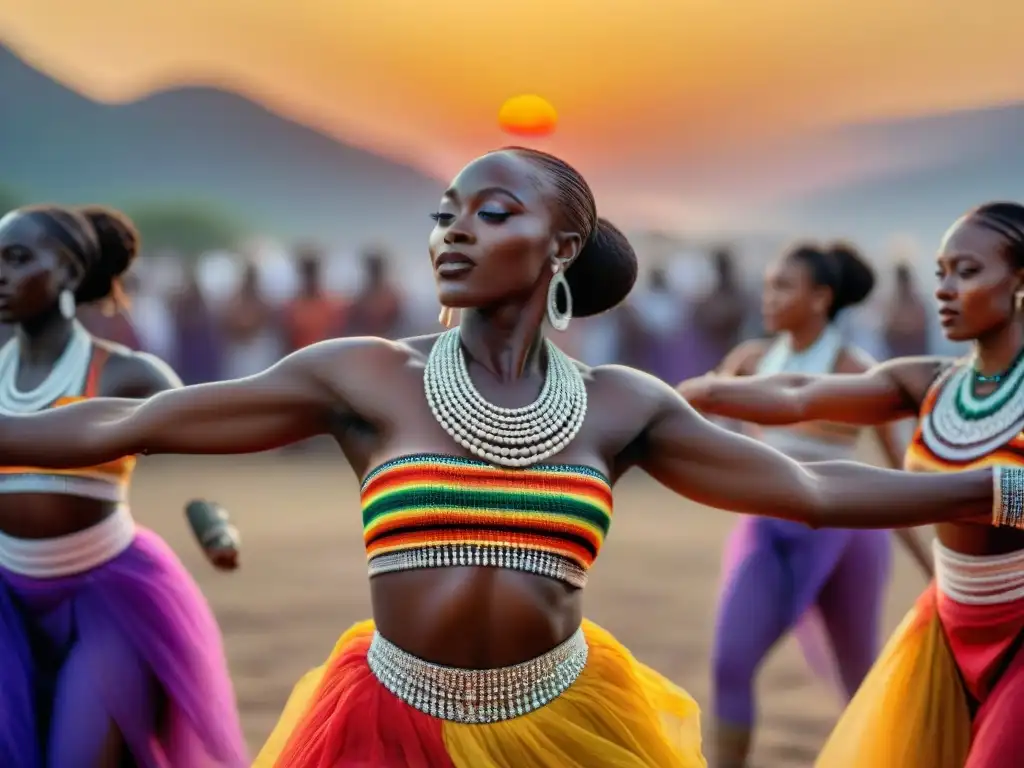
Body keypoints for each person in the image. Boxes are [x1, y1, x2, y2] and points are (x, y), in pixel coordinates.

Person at [0, 153, 1013, 768]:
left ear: (563, 244)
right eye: (446, 211)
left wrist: (990, 487)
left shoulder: (622, 406)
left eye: (493, 213)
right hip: (383, 723)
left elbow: (805, 484)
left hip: (563, 719)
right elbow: (115, 429)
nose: (453, 231)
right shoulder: (366, 377)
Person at [679, 201, 1024, 767]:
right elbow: (797, 395)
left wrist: (808, 492)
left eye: (967, 271)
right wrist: (684, 395)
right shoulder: (927, 381)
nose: (945, 288)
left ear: (1020, 282)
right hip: (947, 626)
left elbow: (956, 494)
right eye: (941, 272)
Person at [0, 205, 247, 766]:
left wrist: (212, 526)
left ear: (65, 272)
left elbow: (207, 463)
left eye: (16, 259)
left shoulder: (128, 374)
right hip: (6, 597)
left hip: (112, 597)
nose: (0, 273)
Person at [696, 241, 931, 768]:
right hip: (768, 528)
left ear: (821, 298)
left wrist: (931, 564)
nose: (769, 298)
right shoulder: (748, 361)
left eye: (783, 286)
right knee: (730, 664)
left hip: (847, 535)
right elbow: (702, 435)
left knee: (858, 678)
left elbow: (899, 472)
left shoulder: (859, 370)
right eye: (769, 285)